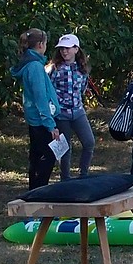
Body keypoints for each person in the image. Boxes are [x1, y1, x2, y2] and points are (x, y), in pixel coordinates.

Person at [11, 29, 62, 192]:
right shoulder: (35, 67)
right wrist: (50, 124)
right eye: (45, 43)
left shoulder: (32, 64)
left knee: (38, 158)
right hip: (41, 121)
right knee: (45, 159)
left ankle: (36, 191)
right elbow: (40, 97)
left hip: (37, 119)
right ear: (40, 45)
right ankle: (38, 193)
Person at [50, 34, 96, 181]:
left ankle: (84, 174)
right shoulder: (54, 68)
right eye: (62, 49)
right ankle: (65, 177)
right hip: (61, 113)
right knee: (65, 147)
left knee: (89, 142)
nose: (64, 51)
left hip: (77, 111)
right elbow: (49, 89)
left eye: (68, 48)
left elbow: (82, 88)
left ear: (76, 49)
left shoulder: (82, 69)